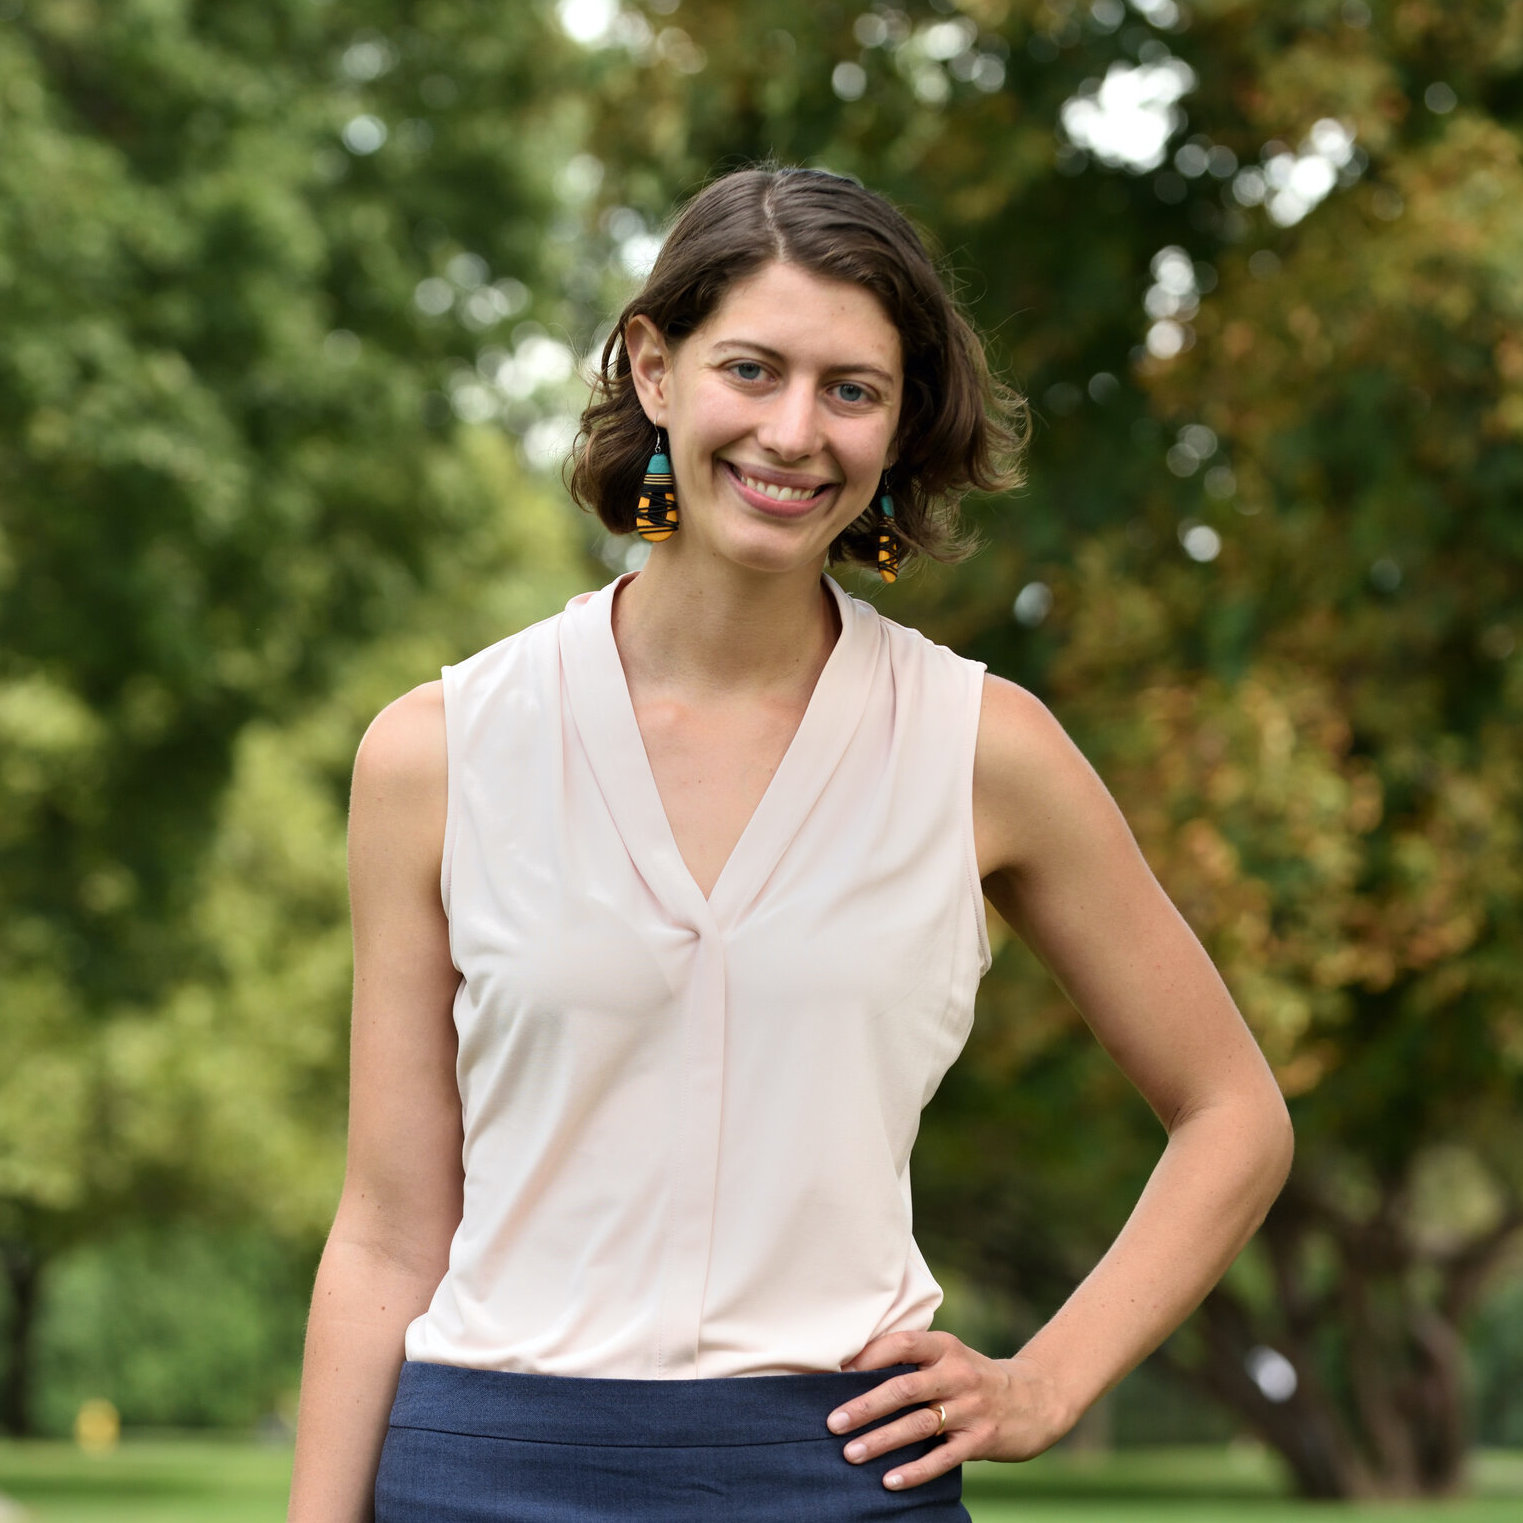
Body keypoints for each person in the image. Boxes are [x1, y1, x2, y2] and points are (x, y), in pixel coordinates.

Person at [286, 165, 1293, 1523]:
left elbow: (1234, 1115)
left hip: (836, 1477)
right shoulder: (437, 752)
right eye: (750, 370)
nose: (793, 433)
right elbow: (388, 1229)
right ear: (654, 368)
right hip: (482, 1470)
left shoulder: (982, 749)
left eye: (851, 389)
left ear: (898, 421)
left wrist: (1043, 1387)